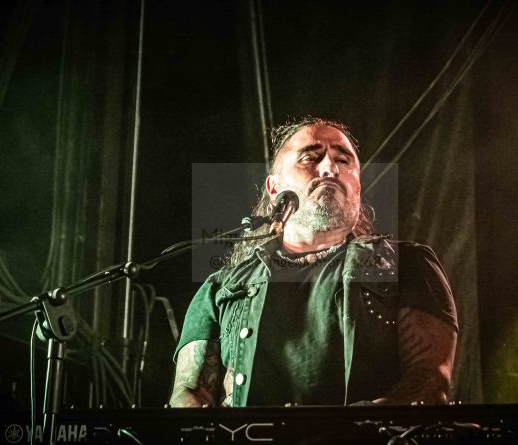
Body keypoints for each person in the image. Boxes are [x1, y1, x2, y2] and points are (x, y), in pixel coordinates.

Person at [169, 117, 457, 407]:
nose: (331, 168)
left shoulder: (408, 265)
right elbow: (189, 393)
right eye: (310, 157)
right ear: (274, 188)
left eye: (343, 161)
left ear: (357, 187)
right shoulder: (219, 288)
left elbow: (429, 380)